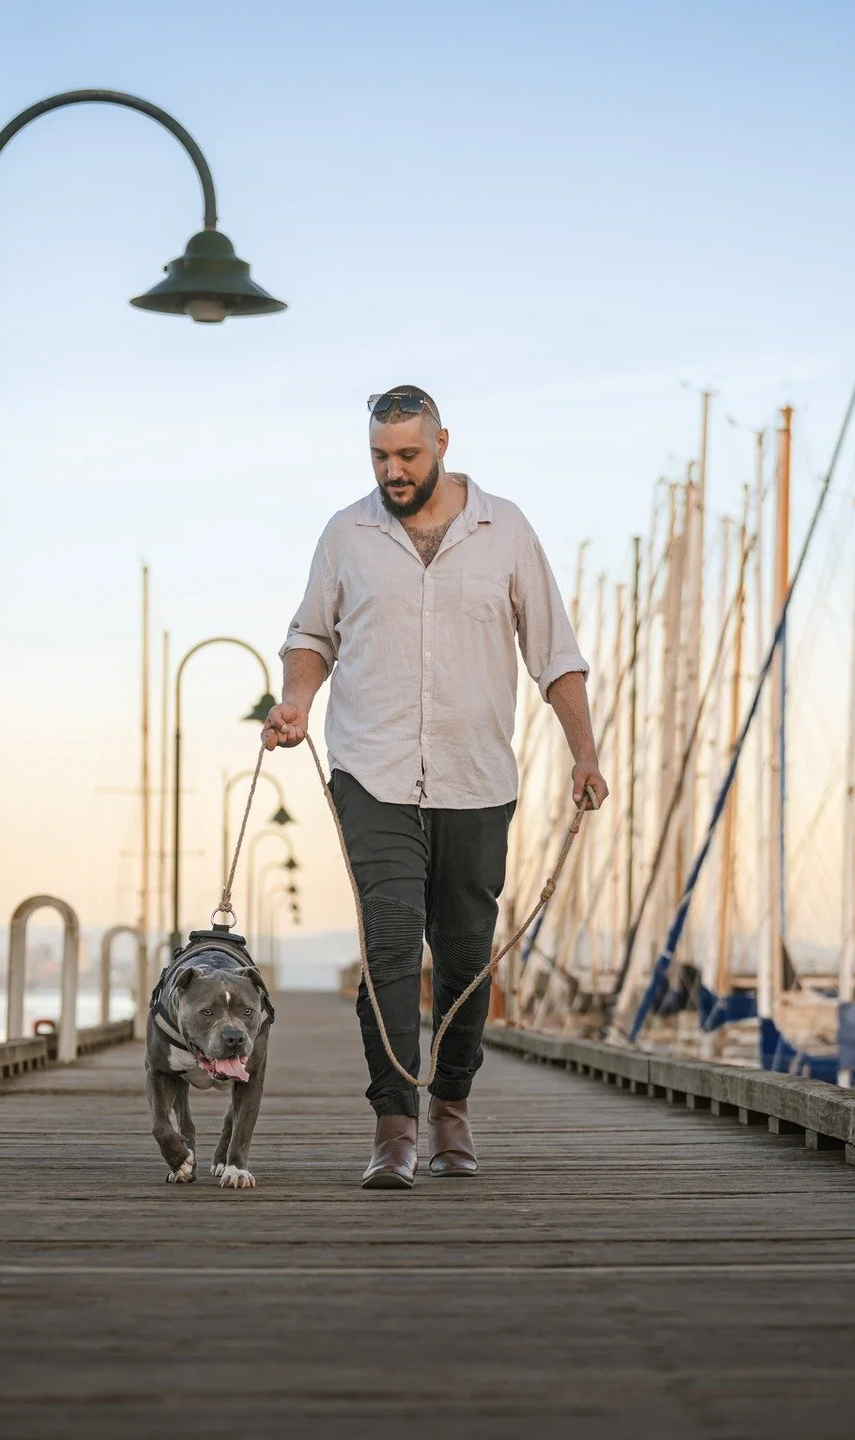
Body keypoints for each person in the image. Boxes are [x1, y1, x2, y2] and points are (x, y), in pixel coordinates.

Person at [263, 384, 607, 1188]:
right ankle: (393, 1127)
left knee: (462, 957)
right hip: (372, 772)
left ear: (444, 442)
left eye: (409, 455)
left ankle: (450, 1106)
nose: (394, 470)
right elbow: (311, 634)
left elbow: (554, 653)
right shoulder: (346, 534)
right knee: (388, 944)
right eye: (380, 456)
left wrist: (584, 753)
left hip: (476, 777)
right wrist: (297, 705)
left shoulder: (506, 529)